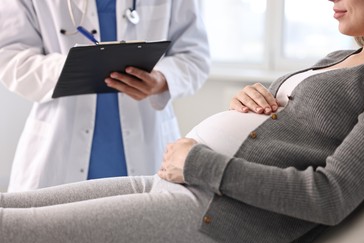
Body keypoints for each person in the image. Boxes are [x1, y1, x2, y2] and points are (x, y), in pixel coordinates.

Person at [1, 0, 364, 243]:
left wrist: (199, 163)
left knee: (11, 234)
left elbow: (329, 196)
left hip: (212, 213)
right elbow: (289, 128)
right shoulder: (342, 58)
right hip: (179, 184)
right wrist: (256, 98)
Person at [0, 0, 210, 191]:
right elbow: (9, 56)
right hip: (58, 148)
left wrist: (162, 79)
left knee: (146, 224)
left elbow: (195, 55)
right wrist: (72, 66)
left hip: (148, 144)